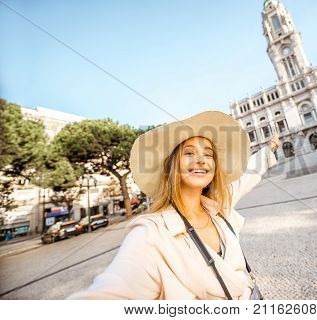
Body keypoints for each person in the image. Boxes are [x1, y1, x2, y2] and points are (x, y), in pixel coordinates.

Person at [68, 111, 280, 300]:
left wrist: (269, 149)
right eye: (189, 153)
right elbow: (111, 293)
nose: (201, 160)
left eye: (208, 154)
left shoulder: (217, 206)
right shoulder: (150, 233)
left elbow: (246, 177)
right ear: (172, 166)